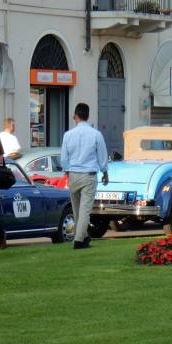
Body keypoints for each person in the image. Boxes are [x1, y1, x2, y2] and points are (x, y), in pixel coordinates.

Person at [60, 103, 109, 250]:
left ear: (75, 116)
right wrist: (105, 172)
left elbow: (63, 158)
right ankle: (79, 240)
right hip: (89, 175)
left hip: (73, 174)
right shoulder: (96, 134)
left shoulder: (68, 135)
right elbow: (102, 156)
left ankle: (84, 235)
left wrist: (68, 172)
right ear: (88, 116)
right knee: (85, 210)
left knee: (76, 209)